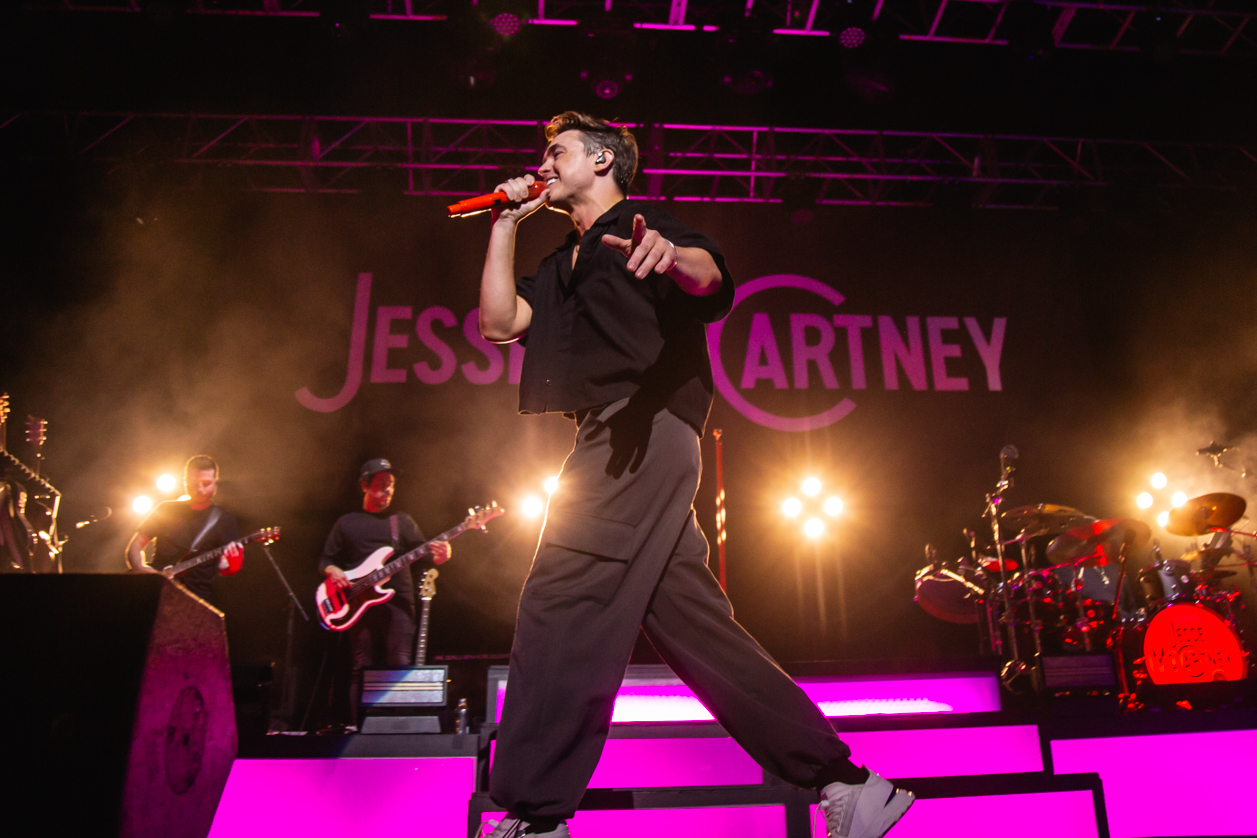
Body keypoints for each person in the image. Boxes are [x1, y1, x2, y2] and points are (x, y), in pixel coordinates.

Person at [475, 112, 914, 838]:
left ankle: (534, 812)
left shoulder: (645, 226)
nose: (543, 164)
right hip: (611, 436)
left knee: (561, 596)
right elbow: (498, 323)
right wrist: (502, 223)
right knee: (692, 625)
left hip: (644, 428)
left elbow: (709, 278)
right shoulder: (559, 264)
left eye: (557, 151)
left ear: (604, 160)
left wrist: (668, 255)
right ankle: (845, 782)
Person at [319, 458, 451, 726]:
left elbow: (426, 553)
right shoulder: (347, 523)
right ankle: (359, 727)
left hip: (398, 600)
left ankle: (397, 728)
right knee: (361, 667)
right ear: (365, 486)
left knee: (399, 664)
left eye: (391, 484)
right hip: (357, 602)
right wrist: (333, 571)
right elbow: (325, 560)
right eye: (381, 484)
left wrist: (441, 555)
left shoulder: (401, 522)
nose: (388, 490)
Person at [126, 454, 241, 602]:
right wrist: (140, 568)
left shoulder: (224, 519)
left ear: (216, 482)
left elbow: (227, 570)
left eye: (206, 484)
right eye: (194, 483)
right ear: (185, 482)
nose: (200, 489)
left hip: (194, 600)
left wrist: (232, 565)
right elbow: (135, 546)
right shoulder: (166, 509)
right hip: (155, 592)